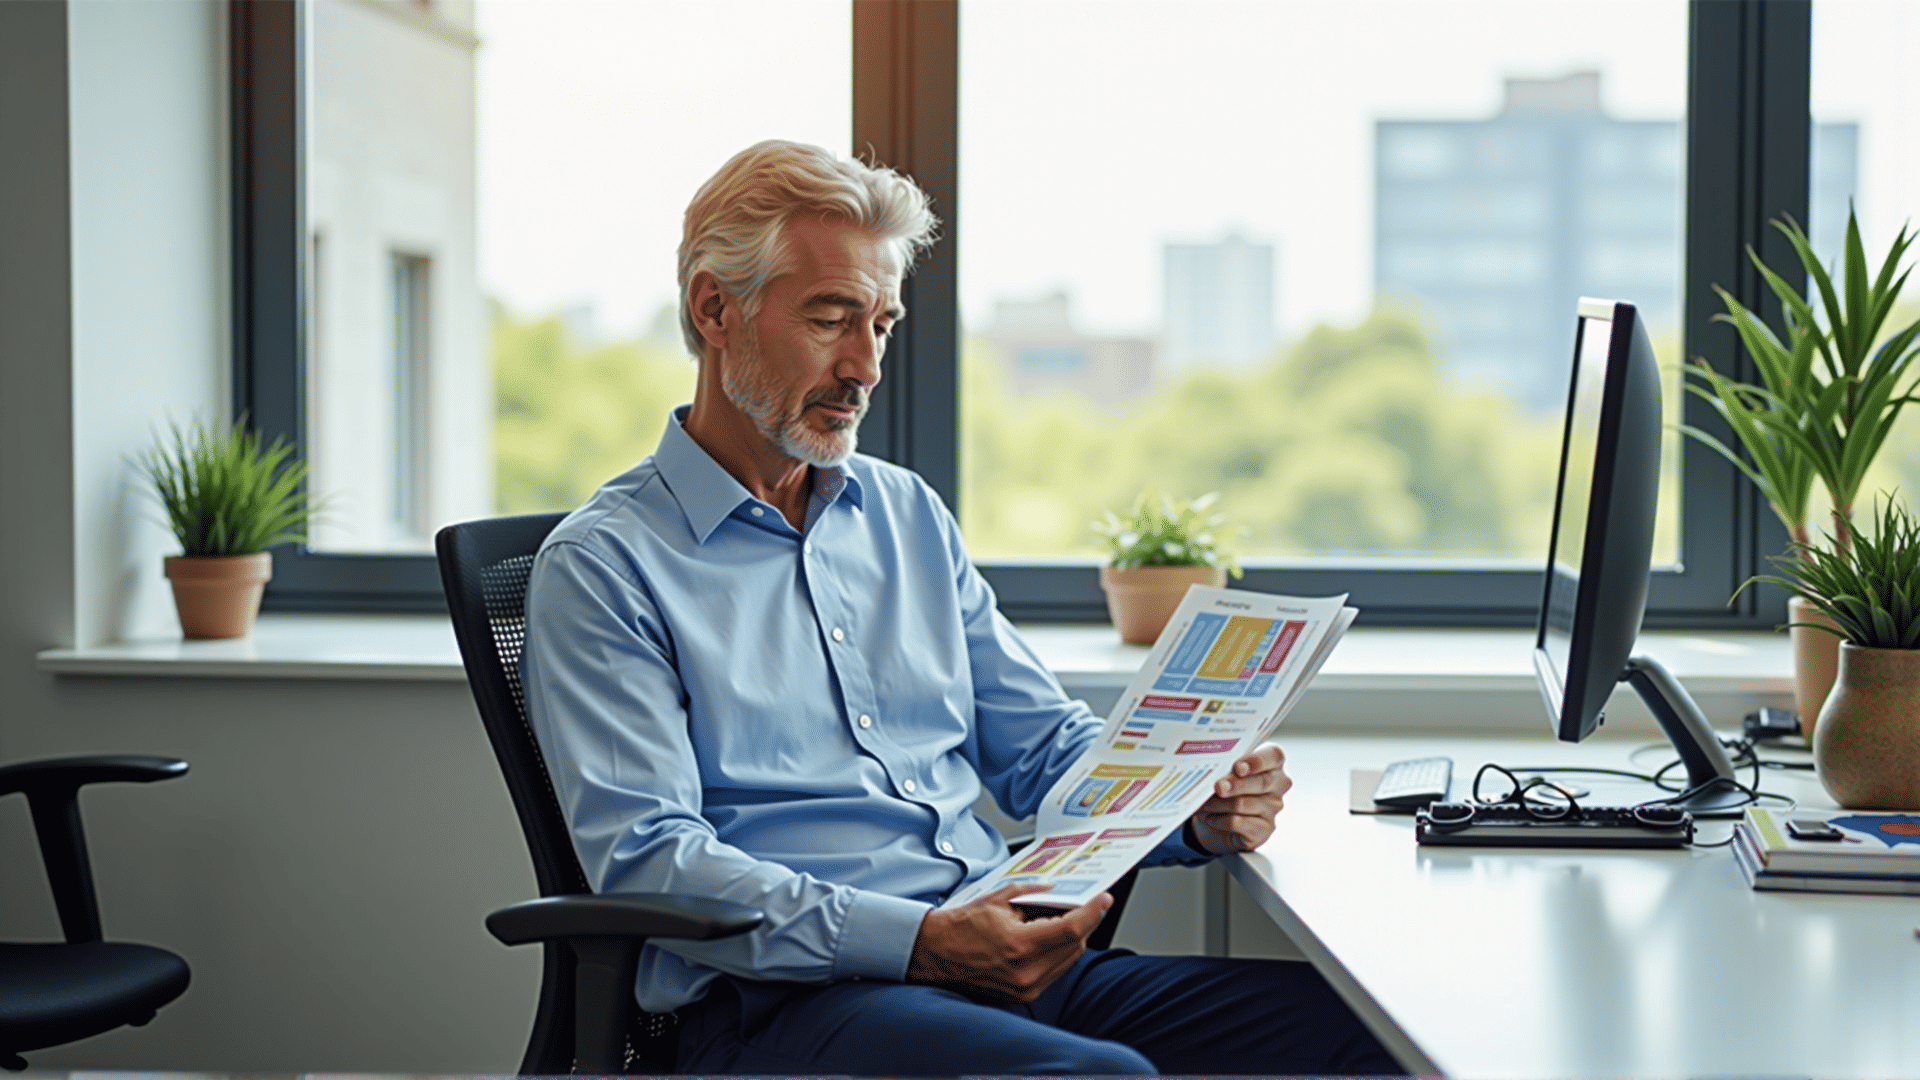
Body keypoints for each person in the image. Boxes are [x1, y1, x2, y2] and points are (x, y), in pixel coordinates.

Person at [521, 139, 1400, 1076]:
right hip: (793, 1012)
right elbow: (654, 862)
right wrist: (920, 942)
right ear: (714, 308)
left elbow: (1043, 753)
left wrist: (1189, 810)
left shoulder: (904, 516)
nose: (865, 365)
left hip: (1003, 964)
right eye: (830, 319)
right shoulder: (604, 566)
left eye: (883, 325)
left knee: (1370, 1034)